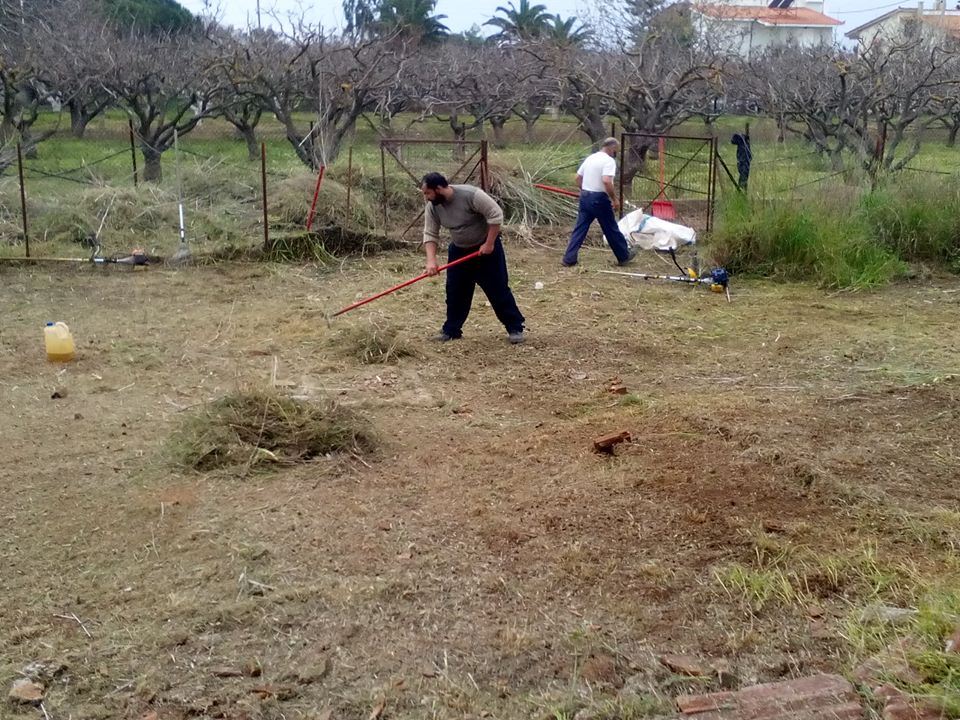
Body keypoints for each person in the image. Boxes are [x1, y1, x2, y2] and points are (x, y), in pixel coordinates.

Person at [421, 173, 526, 344]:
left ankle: (515, 327)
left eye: (427, 193)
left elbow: (496, 215)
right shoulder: (433, 206)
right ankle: (452, 330)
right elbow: (430, 233)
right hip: (459, 250)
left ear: (439, 189)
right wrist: (431, 261)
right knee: (455, 292)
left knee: (497, 290)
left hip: (485, 250)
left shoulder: (471, 195)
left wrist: (489, 243)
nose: (426, 198)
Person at [562, 137, 637, 267]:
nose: (616, 153)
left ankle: (569, 258)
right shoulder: (608, 161)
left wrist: (584, 191)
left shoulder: (591, 158)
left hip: (585, 197)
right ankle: (624, 255)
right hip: (599, 199)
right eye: (616, 150)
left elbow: (578, 177)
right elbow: (607, 181)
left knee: (580, 228)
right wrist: (614, 199)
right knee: (610, 228)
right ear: (612, 148)